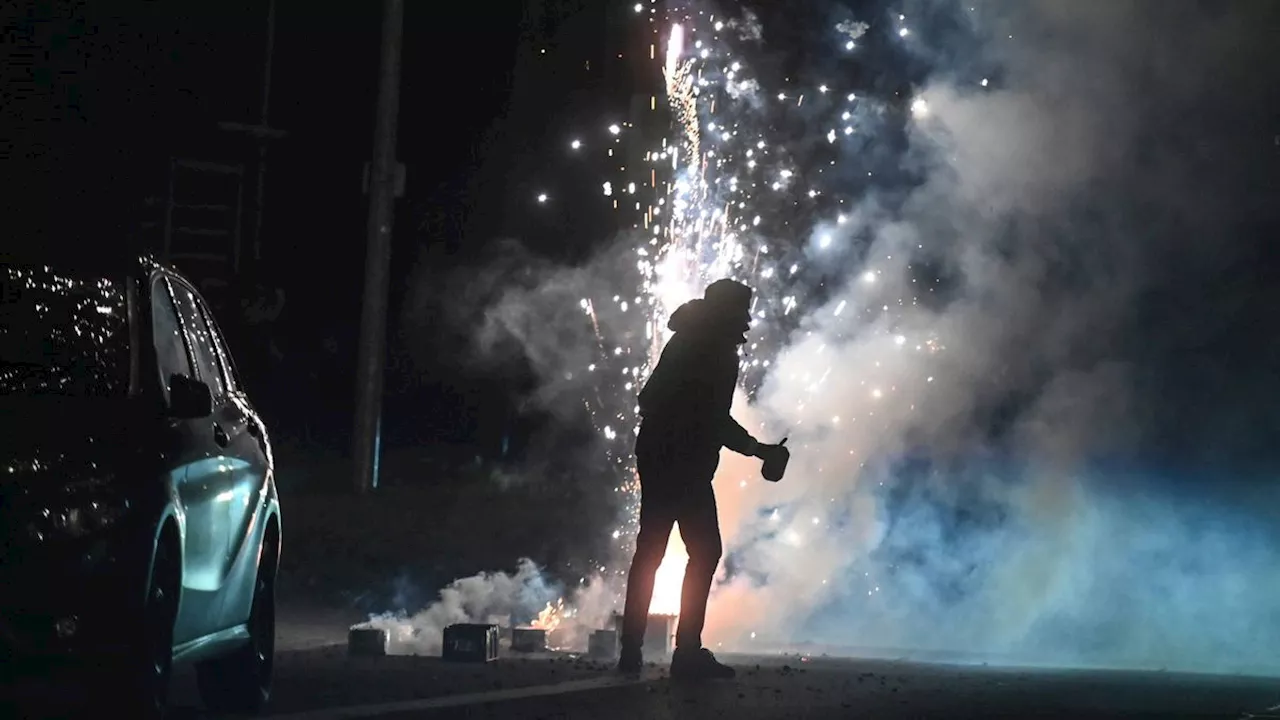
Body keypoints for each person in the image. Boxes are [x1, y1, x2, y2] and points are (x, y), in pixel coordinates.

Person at [618, 278, 788, 680]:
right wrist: (758, 449)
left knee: (650, 551)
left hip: (658, 454)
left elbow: (649, 399)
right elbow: (712, 420)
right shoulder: (716, 352)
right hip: (684, 462)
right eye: (742, 312)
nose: (746, 322)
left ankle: (630, 652)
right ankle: (687, 653)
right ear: (729, 313)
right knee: (705, 550)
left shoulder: (686, 341)